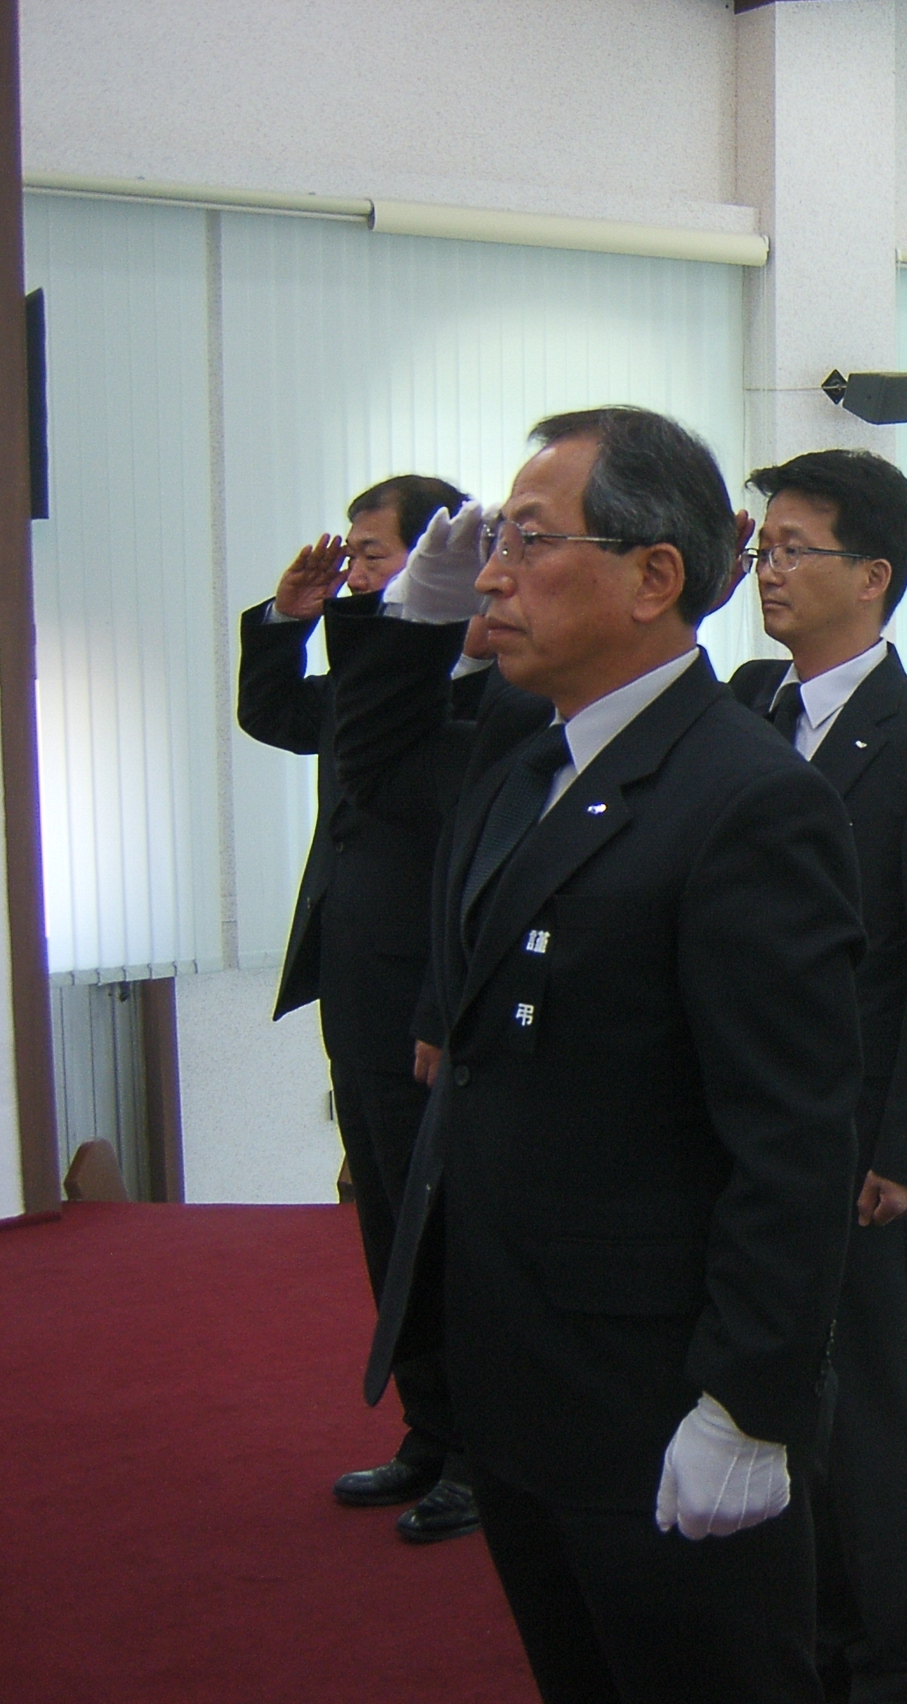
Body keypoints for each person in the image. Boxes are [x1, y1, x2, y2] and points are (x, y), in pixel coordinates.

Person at [363, 406, 867, 1703]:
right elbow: (370, 775)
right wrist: (404, 627)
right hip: (520, 1370)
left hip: (652, 1387)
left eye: (530, 541)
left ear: (653, 577)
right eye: (498, 541)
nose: (493, 576)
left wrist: (747, 1405)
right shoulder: (526, 757)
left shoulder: (747, 800)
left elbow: (793, 1137)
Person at [729, 450, 907, 1704]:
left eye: (795, 549)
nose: (768, 572)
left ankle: (896, 1654)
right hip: (753, 1126)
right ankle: (802, 1618)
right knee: (773, 1384)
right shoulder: (749, 710)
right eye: (761, 548)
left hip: (861, 1143)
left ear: (874, 575)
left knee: (875, 1410)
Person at [234, 471, 486, 1542]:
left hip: (436, 1002)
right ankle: (429, 1429)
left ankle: (483, 1453)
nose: (356, 577)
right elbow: (272, 713)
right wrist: (286, 622)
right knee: (385, 1216)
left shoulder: (488, 687)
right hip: (355, 981)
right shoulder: (363, 682)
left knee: (452, 1228)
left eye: (374, 557)